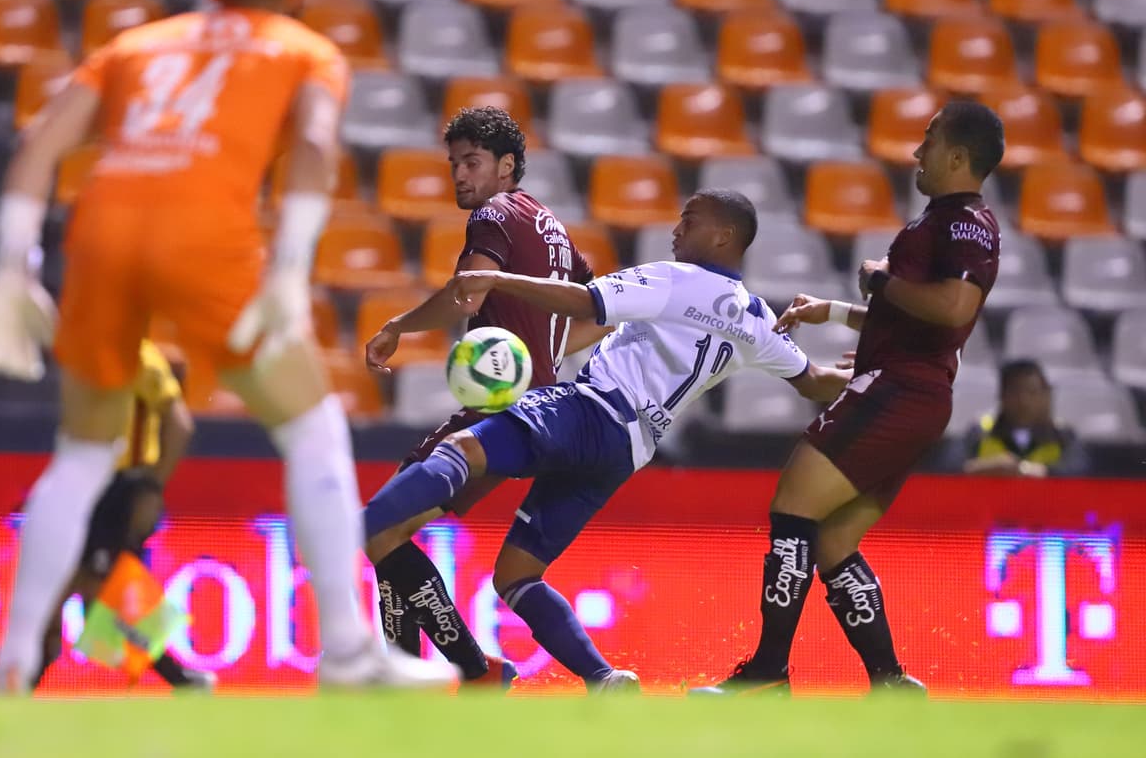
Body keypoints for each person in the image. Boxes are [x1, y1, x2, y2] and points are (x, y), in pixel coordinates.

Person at [0, 0, 455, 691]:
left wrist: (11, 264)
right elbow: (318, 148)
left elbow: (39, 143)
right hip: (205, 236)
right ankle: (349, 651)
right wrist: (292, 266)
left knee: (82, 456)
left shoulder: (135, 46)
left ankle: (13, 660)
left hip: (102, 231)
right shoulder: (303, 50)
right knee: (311, 426)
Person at [363, 189, 852, 693]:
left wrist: (498, 278)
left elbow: (586, 301)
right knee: (516, 575)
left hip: (591, 410)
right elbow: (812, 379)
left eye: (690, 221)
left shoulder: (673, 278)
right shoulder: (755, 318)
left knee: (461, 450)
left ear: (724, 235)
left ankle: (357, 529)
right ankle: (604, 678)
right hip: (626, 451)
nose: (676, 230)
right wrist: (860, 376)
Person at [694, 100, 1005, 697]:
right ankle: (889, 681)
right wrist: (835, 311)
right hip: (913, 392)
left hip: (898, 389)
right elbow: (922, 319)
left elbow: (953, 309)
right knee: (834, 542)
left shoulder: (960, 224)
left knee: (792, 510)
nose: (918, 151)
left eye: (930, 139)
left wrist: (880, 278)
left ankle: (766, 674)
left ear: (959, 156)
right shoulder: (948, 222)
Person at [362, 106, 604, 687]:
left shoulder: (495, 215)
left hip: (498, 413)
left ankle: (469, 669)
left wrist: (396, 325)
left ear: (507, 165)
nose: (460, 176)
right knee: (393, 528)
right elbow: (599, 313)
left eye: (472, 162)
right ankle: (408, 672)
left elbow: (465, 297)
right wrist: (540, 355)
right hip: (547, 415)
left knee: (379, 525)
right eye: (454, 165)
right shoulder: (553, 227)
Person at [31, 340, 213, 691]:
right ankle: (183, 680)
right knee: (86, 594)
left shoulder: (140, 358)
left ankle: (183, 680)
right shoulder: (86, 352)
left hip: (118, 492)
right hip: (88, 489)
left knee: (95, 591)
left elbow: (180, 424)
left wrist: (151, 488)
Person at [953, 359, 1090, 478]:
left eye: (1032, 392)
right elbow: (947, 470)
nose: (1024, 401)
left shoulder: (1062, 435)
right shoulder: (980, 431)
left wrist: (1033, 471)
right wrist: (984, 468)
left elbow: (1081, 473)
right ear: (1001, 396)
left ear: (1045, 396)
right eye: (1015, 392)